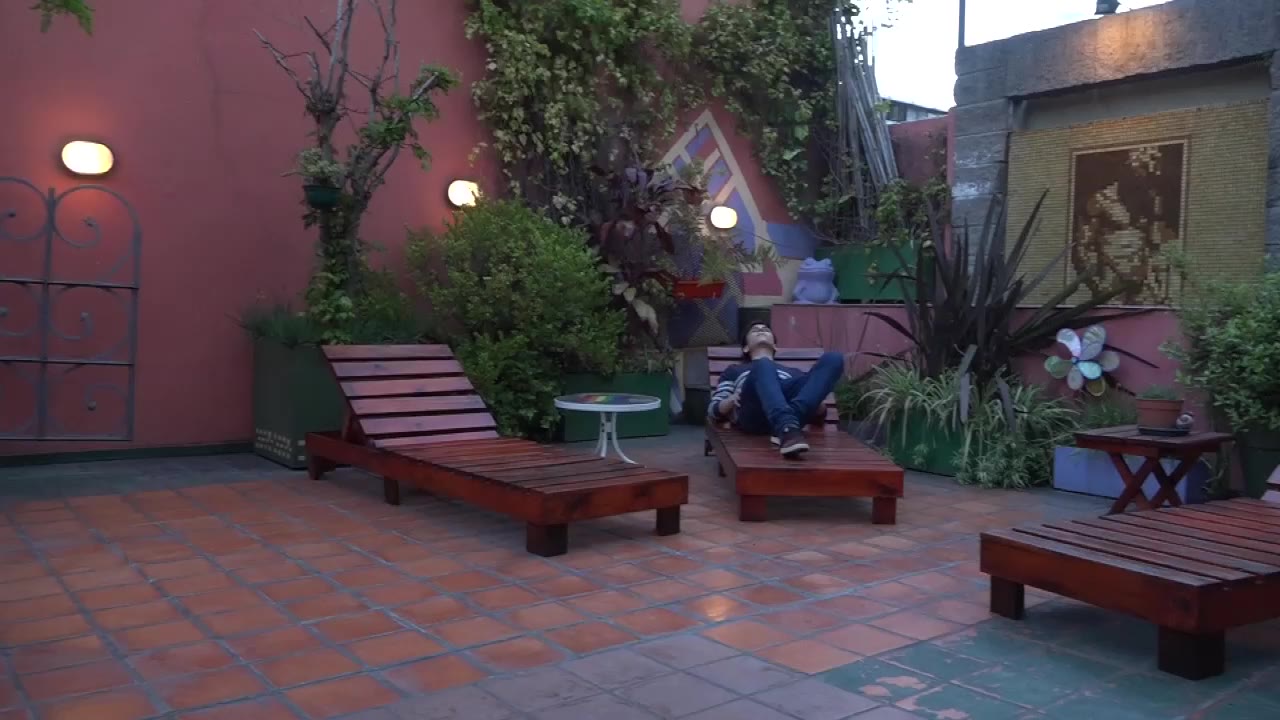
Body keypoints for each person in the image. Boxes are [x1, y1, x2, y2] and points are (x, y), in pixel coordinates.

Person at [707, 322, 845, 458]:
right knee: (763, 364)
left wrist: (814, 400)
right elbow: (713, 409)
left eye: (766, 329)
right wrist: (731, 400)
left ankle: (787, 426)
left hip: (791, 408)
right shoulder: (734, 371)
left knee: (834, 358)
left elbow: (820, 413)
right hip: (753, 411)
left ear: (775, 346)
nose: (761, 330)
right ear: (746, 348)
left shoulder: (794, 373)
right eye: (755, 330)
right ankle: (786, 424)